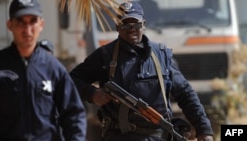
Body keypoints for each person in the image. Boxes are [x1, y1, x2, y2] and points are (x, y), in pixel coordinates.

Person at [70, 1, 213, 141]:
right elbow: (71, 81)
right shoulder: (105, 56)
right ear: (117, 27)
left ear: (143, 24)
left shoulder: (161, 56)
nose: (131, 29)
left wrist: (204, 129)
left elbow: (185, 94)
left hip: (159, 135)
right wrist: (93, 94)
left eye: (136, 24)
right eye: (126, 24)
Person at [0, 0, 87, 140]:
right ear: (10, 25)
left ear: (41, 25)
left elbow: (74, 115)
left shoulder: (54, 68)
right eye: (20, 21)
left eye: (33, 21)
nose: (27, 30)